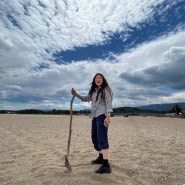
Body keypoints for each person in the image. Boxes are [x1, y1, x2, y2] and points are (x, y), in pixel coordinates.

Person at [71, 73, 113, 174]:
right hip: (94, 116)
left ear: (103, 80)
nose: (98, 79)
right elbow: (86, 98)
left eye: (100, 78)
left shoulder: (106, 89)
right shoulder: (93, 91)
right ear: (94, 80)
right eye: (96, 78)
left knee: (102, 138)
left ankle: (106, 165)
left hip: (102, 115)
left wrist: (108, 116)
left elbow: (108, 103)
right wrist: (76, 95)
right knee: (94, 138)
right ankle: (101, 157)